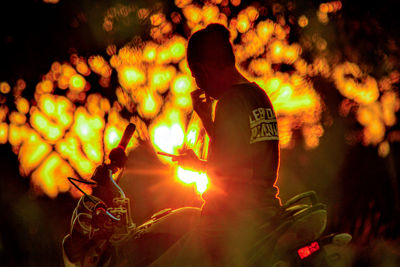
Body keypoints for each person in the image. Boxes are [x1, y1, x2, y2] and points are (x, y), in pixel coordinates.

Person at [150, 23, 282, 266]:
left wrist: (196, 165)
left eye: (195, 76)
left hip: (228, 223)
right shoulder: (258, 95)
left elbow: (236, 173)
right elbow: (242, 156)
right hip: (265, 209)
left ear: (203, 70)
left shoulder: (230, 103)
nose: (199, 85)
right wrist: (207, 121)